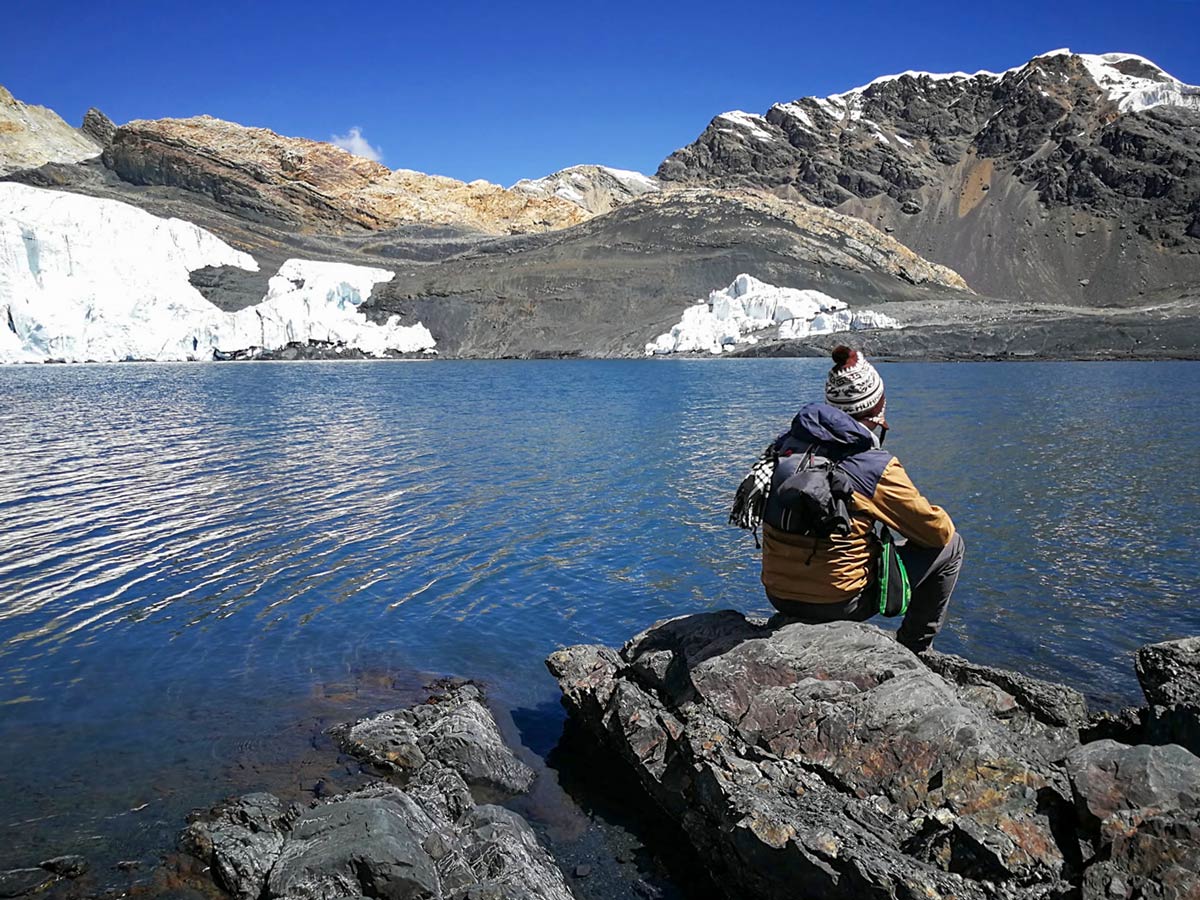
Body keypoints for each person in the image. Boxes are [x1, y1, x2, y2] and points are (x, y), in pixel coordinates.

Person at [754, 346, 964, 652]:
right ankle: (915, 646)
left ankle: (794, 612)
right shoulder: (873, 465)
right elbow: (937, 533)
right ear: (877, 411)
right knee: (952, 545)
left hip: (777, 593)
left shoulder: (786, 446)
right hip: (838, 603)